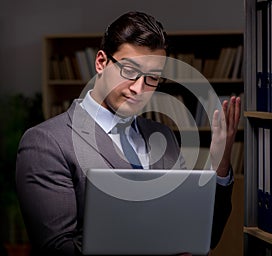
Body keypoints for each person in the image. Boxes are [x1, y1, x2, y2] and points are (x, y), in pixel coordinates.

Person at [16, 11, 241, 256]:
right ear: (101, 62)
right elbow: (58, 249)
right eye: (129, 71)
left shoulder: (163, 136)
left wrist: (220, 161)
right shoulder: (46, 143)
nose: (138, 89)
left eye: (152, 78)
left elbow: (203, 235)